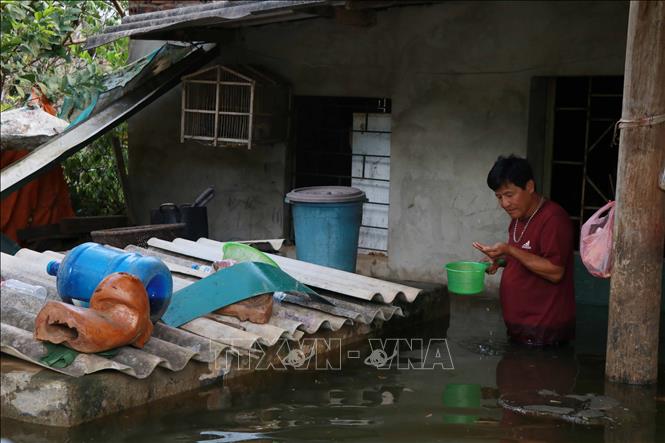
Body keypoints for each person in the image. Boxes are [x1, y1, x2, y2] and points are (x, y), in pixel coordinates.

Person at [472, 155, 575, 346]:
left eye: (509, 195)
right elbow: (527, 259)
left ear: (529, 187)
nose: (504, 204)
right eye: (499, 197)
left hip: (544, 332)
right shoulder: (518, 218)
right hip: (522, 330)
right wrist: (500, 261)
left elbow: (555, 271)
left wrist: (509, 250)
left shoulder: (553, 219)